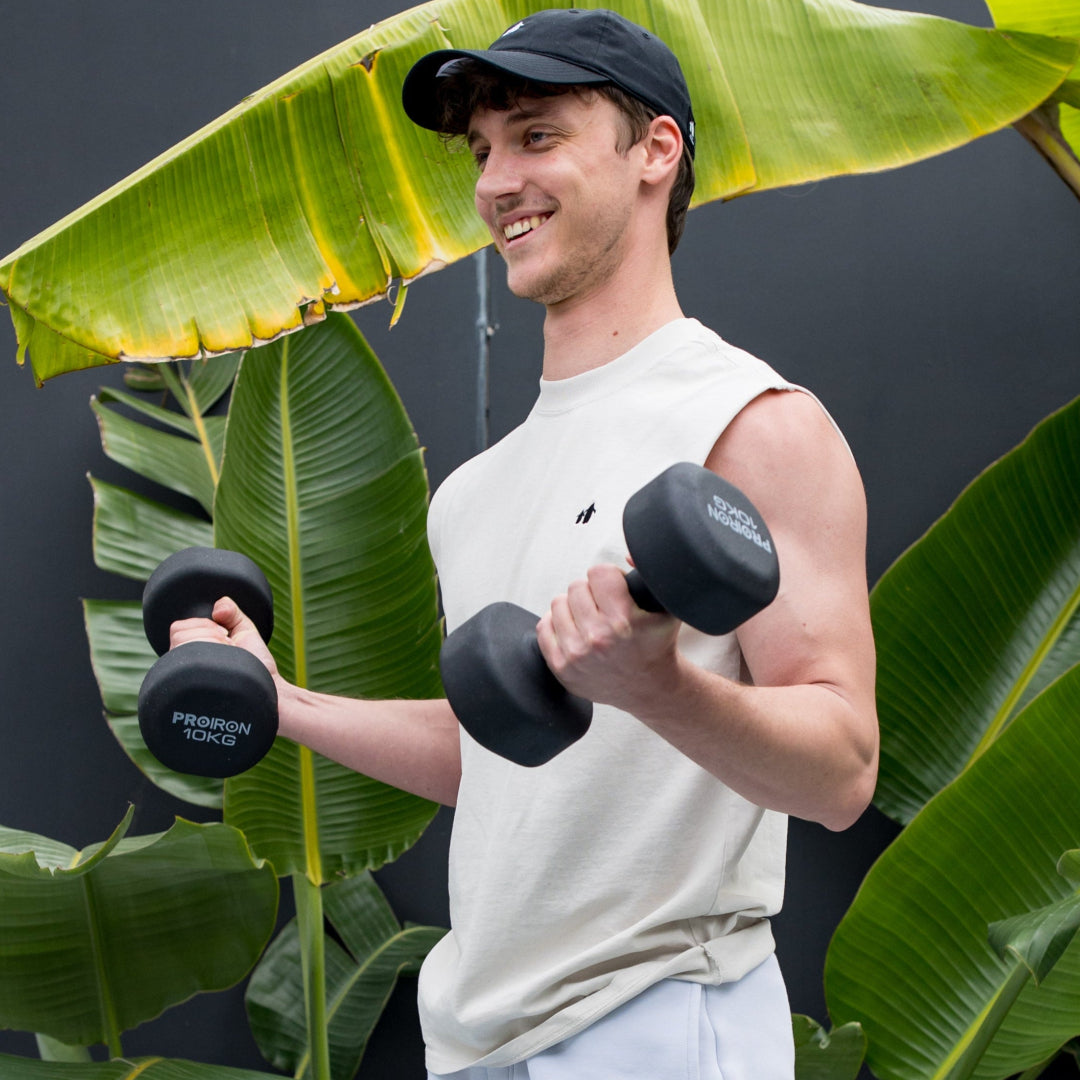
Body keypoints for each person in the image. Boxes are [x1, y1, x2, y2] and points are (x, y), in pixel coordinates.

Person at [171, 9, 878, 1077]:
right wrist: (283, 702)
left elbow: (842, 771)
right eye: (482, 151)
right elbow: (505, 756)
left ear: (655, 150)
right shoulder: (474, 494)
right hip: (479, 1037)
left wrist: (660, 687)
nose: (498, 182)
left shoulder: (750, 424)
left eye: (537, 136)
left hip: (656, 1021)